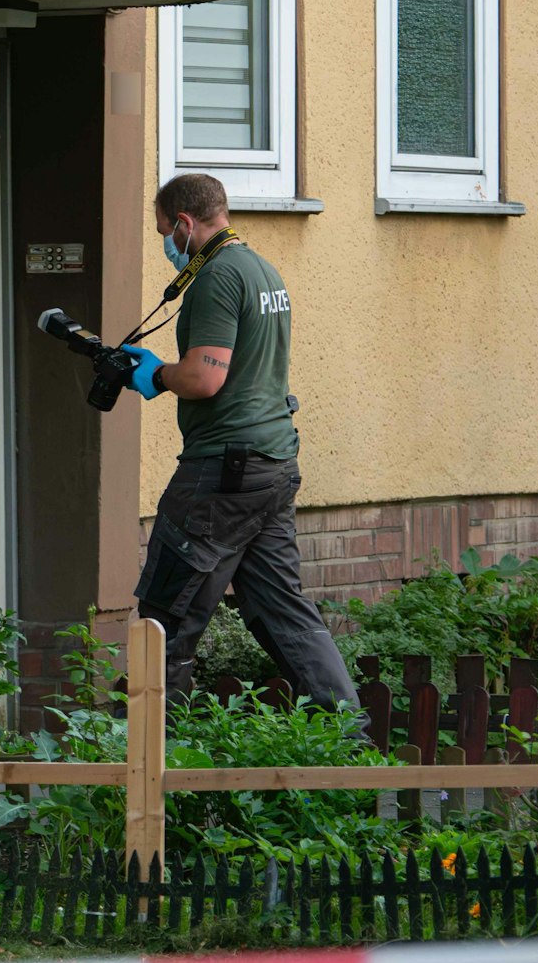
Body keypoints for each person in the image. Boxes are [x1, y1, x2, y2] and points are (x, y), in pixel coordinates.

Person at [119, 173, 359, 712]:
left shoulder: (217, 277)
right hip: (272, 466)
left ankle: (135, 757)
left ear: (184, 223)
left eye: (164, 231)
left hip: (221, 473)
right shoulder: (260, 269)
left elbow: (206, 378)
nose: (165, 245)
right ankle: (354, 744)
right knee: (285, 613)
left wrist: (156, 375)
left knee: (166, 616)